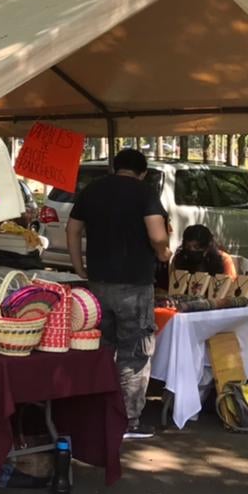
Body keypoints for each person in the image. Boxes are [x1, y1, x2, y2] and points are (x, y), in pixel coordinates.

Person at [65, 148, 170, 440]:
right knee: (134, 353)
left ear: (114, 167)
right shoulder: (145, 192)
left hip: (98, 282)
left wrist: (79, 266)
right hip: (134, 284)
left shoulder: (93, 190)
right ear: (142, 171)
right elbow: (157, 234)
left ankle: (98, 412)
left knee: (102, 349)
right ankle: (129, 420)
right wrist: (164, 253)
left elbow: (72, 229)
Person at [171, 224, 236, 277]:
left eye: (196, 247)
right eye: (188, 247)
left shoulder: (224, 260)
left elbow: (229, 286)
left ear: (207, 246)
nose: (192, 250)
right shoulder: (179, 259)